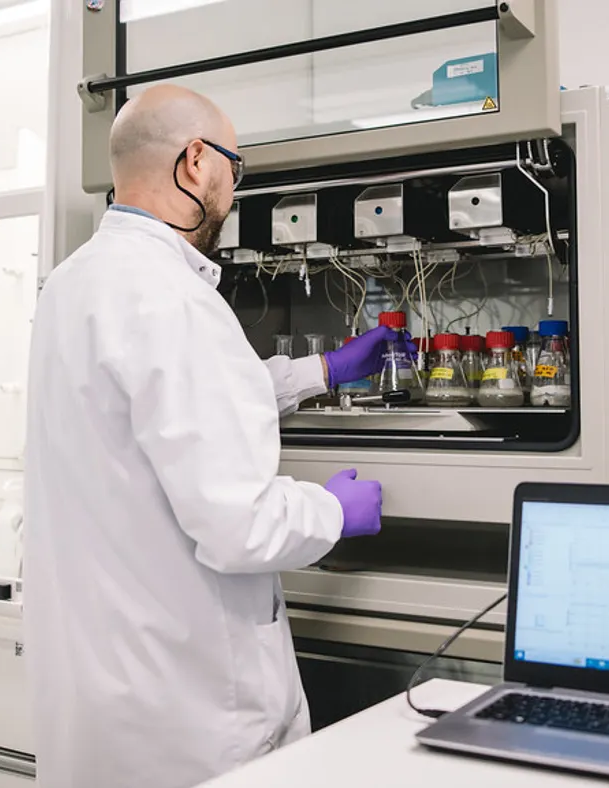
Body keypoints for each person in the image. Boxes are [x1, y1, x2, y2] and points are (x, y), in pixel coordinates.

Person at [23, 84, 395, 788]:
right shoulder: (174, 298)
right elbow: (240, 526)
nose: (234, 188)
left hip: (104, 696)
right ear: (196, 161)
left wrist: (321, 369)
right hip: (191, 717)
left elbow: (170, 407)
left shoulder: (73, 285)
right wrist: (332, 513)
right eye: (237, 168)